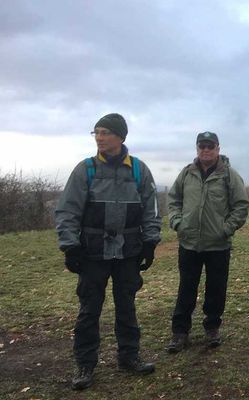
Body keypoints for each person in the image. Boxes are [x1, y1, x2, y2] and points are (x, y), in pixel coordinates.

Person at [55, 113, 161, 390]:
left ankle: (129, 357)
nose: (99, 138)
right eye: (96, 133)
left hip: (128, 252)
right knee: (89, 310)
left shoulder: (139, 170)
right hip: (92, 253)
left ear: (121, 137)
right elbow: (67, 210)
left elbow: (151, 209)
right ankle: (85, 364)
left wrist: (150, 242)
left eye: (105, 132)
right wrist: (70, 246)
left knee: (127, 306)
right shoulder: (85, 169)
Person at [166, 131, 249, 353]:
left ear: (218, 149)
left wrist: (227, 228)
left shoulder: (229, 175)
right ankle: (180, 332)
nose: (205, 150)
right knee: (186, 288)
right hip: (189, 243)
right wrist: (177, 222)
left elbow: (241, 205)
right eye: (202, 146)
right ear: (197, 149)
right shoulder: (186, 174)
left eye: (210, 146)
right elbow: (173, 199)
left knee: (216, 289)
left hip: (218, 245)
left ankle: (212, 327)